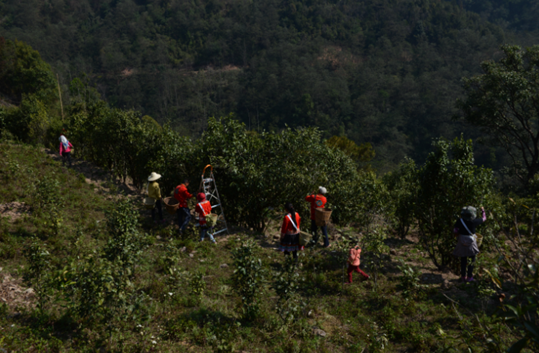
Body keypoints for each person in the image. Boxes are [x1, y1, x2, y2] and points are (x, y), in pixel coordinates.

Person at [453, 206, 487, 282]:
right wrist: (483, 210)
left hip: (461, 241)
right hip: (471, 242)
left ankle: (463, 277)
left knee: (463, 259)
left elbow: (455, 230)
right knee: (472, 259)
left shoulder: (460, 220)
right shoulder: (474, 221)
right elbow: (484, 218)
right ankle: (470, 277)